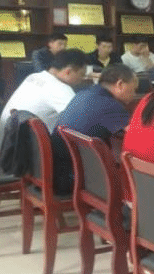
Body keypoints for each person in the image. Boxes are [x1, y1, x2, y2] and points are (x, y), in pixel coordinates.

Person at [51, 64, 138, 194]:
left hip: (58, 172)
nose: (134, 94)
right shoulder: (110, 105)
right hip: (76, 180)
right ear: (120, 84)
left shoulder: (83, 94)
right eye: (134, 89)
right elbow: (137, 136)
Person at [0, 48, 89, 151]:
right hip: (25, 153)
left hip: (7, 147)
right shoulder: (61, 89)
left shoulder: (34, 76)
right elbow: (82, 123)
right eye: (82, 75)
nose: (82, 79)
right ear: (68, 71)